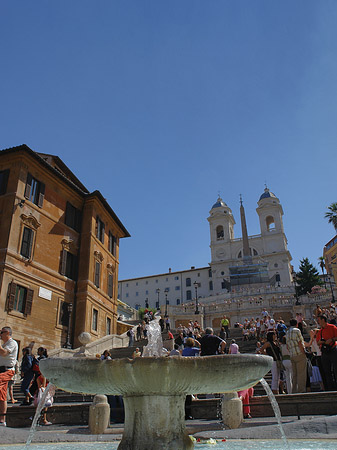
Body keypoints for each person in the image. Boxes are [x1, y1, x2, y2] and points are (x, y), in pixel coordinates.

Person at [0, 326, 18, 426]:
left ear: (7, 333)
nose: (0, 334)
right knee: (2, 396)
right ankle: (2, 420)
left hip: (7, 370)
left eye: (1, 332)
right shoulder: (5, 344)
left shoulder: (12, 343)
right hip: (2, 370)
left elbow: (4, 353)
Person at [316, 314, 337, 390]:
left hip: (333, 350)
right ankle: (330, 388)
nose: (318, 322)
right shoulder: (320, 331)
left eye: (319, 320)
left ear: (323, 320)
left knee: (335, 368)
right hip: (325, 352)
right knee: (327, 370)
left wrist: (331, 340)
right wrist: (322, 342)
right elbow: (317, 342)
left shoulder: (332, 327)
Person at [286, 319, 307, 393]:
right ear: (296, 324)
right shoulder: (297, 330)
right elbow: (300, 343)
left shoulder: (287, 332)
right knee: (301, 373)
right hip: (299, 354)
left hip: (292, 355)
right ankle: (301, 390)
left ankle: (294, 390)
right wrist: (303, 352)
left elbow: (287, 346)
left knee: (294, 375)